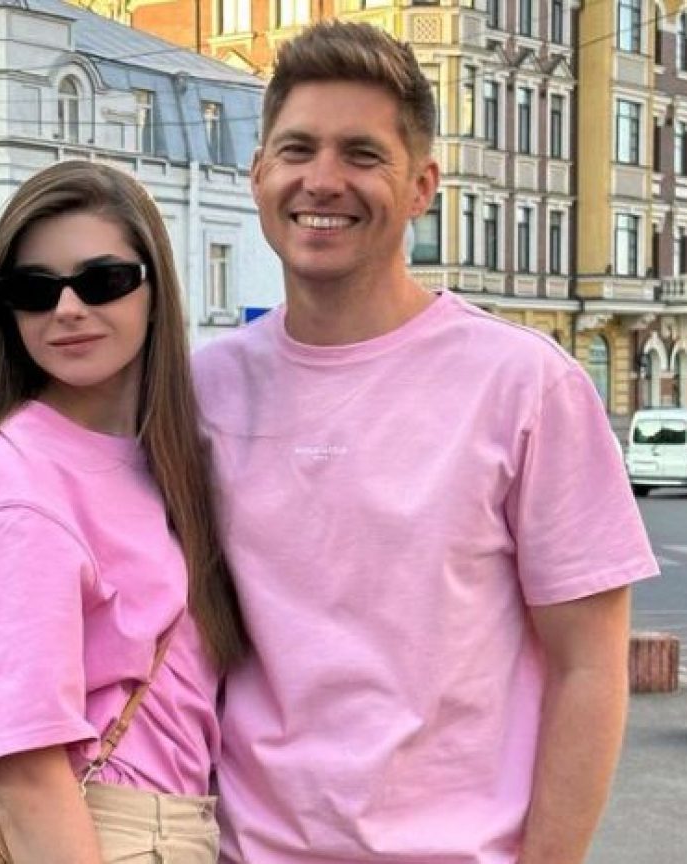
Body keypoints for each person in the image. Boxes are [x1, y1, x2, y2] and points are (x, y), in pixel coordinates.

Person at [192, 21, 659, 864]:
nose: (322, 180)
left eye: (362, 155)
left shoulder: (526, 386)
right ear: (258, 173)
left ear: (421, 187)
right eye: (297, 149)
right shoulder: (202, 390)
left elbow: (590, 669)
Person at [0, 161, 247, 863]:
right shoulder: (16, 488)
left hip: (183, 829)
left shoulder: (165, 461)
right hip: (107, 836)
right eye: (35, 290)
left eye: (103, 281)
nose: (67, 308)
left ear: (155, 292)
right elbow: (29, 780)